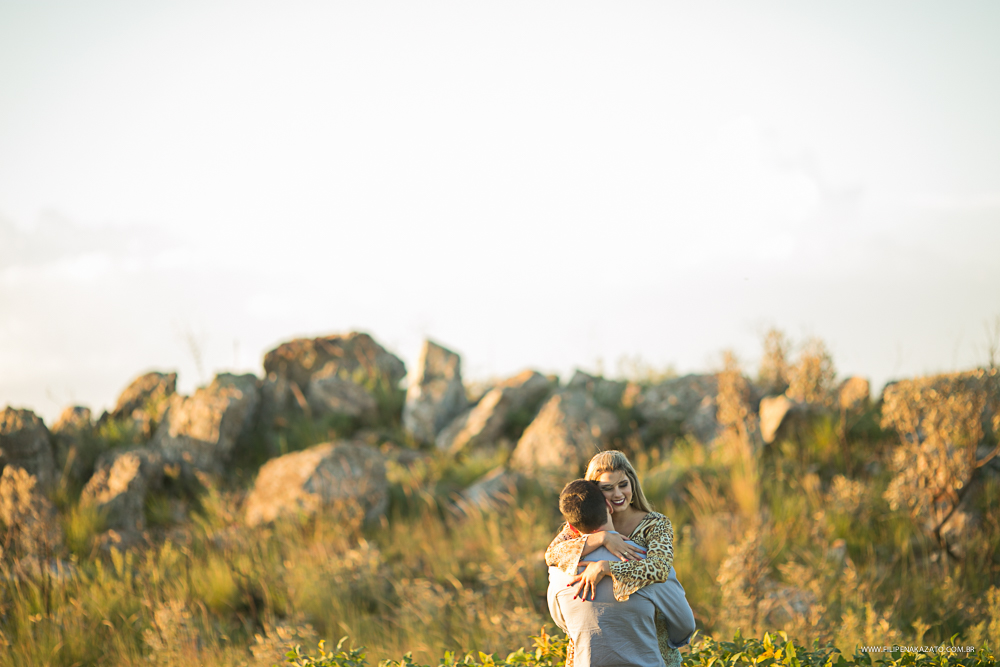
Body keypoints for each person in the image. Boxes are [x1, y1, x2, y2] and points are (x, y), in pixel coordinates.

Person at [546, 451, 693, 666]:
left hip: (647, 639)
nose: (618, 494)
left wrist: (607, 567)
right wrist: (602, 537)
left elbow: (659, 569)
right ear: (595, 492)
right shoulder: (579, 528)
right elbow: (552, 554)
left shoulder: (655, 524)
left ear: (632, 482)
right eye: (607, 488)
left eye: (623, 484)